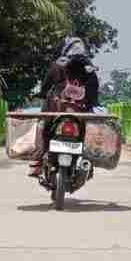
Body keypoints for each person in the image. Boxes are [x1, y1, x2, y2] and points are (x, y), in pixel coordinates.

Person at [30, 37, 100, 176]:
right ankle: (89, 164)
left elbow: (46, 86)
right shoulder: (89, 68)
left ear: (65, 48)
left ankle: (37, 162)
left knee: (43, 127)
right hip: (80, 113)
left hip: (55, 111)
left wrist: (43, 94)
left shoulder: (57, 65)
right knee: (88, 131)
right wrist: (92, 103)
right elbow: (94, 90)